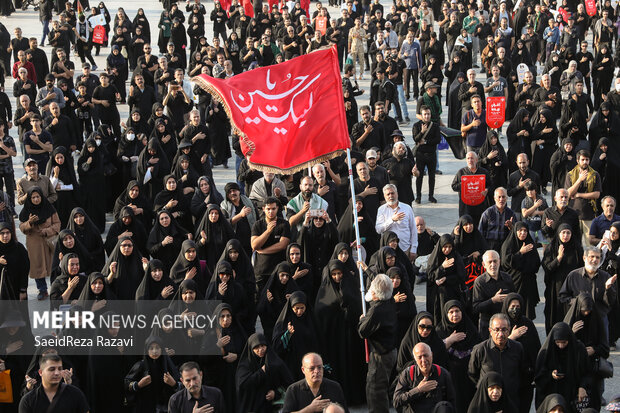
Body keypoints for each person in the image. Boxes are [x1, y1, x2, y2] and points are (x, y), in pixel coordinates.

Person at [468, 313, 527, 411]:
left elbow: (522, 373)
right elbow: (472, 375)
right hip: (488, 403)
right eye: (496, 330)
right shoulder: (480, 349)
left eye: (504, 330)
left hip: (510, 403)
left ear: (509, 330)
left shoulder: (517, 348)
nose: (500, 334)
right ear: (490, 331)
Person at [358, 274, 397, 413]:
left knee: (375, 390)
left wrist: (363, 319)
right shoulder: (390, 301)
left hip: (381, 354)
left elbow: (363, 331)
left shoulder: (376, 310)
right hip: (389, 350)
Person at [559, 246, 617, 338]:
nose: (595, 260)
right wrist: (579, 304)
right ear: (584, 258)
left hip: (599, 319)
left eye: (598, 257)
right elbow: (563, 296)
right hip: (578, 319)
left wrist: (608, 288)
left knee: (599, 348)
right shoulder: (573, 275)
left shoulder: (605, 276)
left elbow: (610, 302)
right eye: (592, 256)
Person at [436, 300, 480, 413]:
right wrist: (449, 341)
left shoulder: (470, 329)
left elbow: (479, 350)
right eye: (451, 312)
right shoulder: (440, 331)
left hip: (469, 377)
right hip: (451, 378)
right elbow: (435, 353)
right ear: (446, 314)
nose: (455, 314)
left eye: (457, 311)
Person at [534, 322, 589, 410]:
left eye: (564, 342)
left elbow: (587, 372)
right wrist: (551, 374)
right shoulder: (546, 352)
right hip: (552, 396)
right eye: (557, 342)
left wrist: (582, 387)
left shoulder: (578, 349)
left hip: (572, 394)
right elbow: (539, 377)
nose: (561, 346)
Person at [18, 186, 60, 300]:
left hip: (49, 242)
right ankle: (42, 290)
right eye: (33, 197)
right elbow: (21, 227)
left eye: (38, 197)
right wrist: (29, 222)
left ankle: (56, 289)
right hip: (34, 243)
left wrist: (47, 231)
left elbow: (57, 224)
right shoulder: (26, 210)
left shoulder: (49, 208)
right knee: (37, 267)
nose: (36, 199)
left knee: (53, 266)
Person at [236, 332, 294, 413]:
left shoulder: (275, 363)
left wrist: (275, 393)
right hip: (251, 407)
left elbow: (289, 384)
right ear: (251, 348)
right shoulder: (245, 365)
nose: (261, 350)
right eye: (256, 347)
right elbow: (243, 385)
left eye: (263, 346)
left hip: (272, 407)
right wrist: (261, 372)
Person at [393, 342, 456, 412]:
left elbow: (452, 401)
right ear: (415, 359)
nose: (423, 360)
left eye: (426, 355)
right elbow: (396, 401)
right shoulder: (407, 374)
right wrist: (418, 390)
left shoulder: (442, 373)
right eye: (419, 357)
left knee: (444, 406)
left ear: (431, 355)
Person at [18, 354, 89, 413]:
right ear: (40, 372)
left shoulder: (76, 394)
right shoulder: (29, 400)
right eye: (51, 369)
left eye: (60, 369)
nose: (57, 373)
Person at [281, 352, 349, 413]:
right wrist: (309, 409)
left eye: (319, 367)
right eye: (312, 368)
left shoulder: (334, 387)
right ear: (303, 370)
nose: (316, 371)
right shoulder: (293, 390)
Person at [500, 222, 541, 319]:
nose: (523, 233)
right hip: (514, 283)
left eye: (525, 231)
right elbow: (506, 262)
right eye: (520, 231)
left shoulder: (530, 244)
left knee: (527, 314)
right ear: (515, 231)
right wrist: (520, 253)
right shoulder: (508, 244)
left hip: (528, 284)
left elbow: (536, 263)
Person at [251, 196, 291, 293]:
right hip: (261, 270)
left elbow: (283, 245)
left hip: (278, 269)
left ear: (277, 208)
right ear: (264, 209)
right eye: (268, 209)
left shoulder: (284, 224)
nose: (271, 211)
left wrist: (263, 251)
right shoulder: (258, 225)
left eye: (273, 209)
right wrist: (267, 232)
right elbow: (254, 245)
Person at [472, 250, 516, 335]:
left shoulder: (507, 278)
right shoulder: (479, 282)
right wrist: (493, 300)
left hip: (505, 324)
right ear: (484, 265)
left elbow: (514, 298)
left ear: (499, 261)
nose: (493, 265)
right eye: (490, 262)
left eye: (495, 261)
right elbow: (476, 308)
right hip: (487, 326)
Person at [564, 150, 602, 246]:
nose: (585, 162)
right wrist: (579, 180)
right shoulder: (570, 174)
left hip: (589, 215)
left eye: (587, 160)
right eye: (582, 159)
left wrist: (579, 195)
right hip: (573, 214)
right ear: (577, 160)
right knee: (574, 245)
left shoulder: (595, 174)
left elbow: (597, 194)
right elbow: (568, 193)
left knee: (590, 245)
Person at [375, 184, 417, 261]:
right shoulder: (381, 210)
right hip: (389, 252)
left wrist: (413, 249)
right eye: (388, 194)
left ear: (397, 194)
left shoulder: (407, 208)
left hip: (405, 249)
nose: (391, 196)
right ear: (384, 196)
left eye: (392, 193)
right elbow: (378, 229)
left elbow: (413, 229)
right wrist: (392, 220)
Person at [451, 151, 491, 226]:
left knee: (480, 225)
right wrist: (465, 183)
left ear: (476, 160)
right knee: (466, 225)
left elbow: (491, 185)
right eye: (468, 158)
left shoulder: (484, 172)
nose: (470, 160)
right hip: (466, 206)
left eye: (472, 158)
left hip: (480, 205)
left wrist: (487, 190)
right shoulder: (461, 172)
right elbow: (454, 186)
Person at [412, 105, 440, 204]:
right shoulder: (416, 125)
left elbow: (438, 139)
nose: (427, 116)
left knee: (432, 176)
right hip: (420, 154)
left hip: (431, 154)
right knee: (419, 176)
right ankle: (418, 196)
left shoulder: (435, 125)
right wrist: (422, 132)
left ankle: (431, 196)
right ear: (421, 115)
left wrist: (426, 142)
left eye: (428, 114)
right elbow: (415, 138)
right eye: (425, 114)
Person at [478, 187, 516, 252]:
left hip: (505, 244)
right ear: (494, 198)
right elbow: (480, 231)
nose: (501, 199)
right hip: (490, 244)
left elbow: (516, 232)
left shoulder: (511, 213)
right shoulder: (488, 212)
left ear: (506, 198)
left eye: (503, 197)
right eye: (499, 197)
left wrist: (511, 227)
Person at [507, 153, 540, 219]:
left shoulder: (535, 176)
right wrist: (519, 187)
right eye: (520, 163)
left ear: (528, 162)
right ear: (516, 163)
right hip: (516, 209)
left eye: (524, 162)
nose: (522, 165)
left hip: (530, 209)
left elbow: (538, 193)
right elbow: (509, 193)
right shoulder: (513, 176)